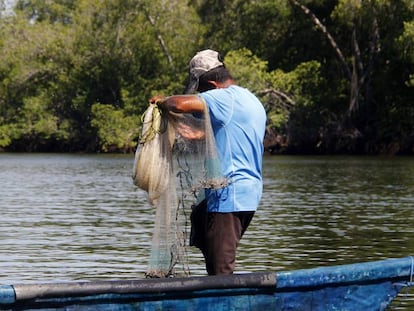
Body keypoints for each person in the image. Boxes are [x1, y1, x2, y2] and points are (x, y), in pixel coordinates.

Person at [150, 49, 266, 275]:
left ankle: (220, 300)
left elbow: (179, 105)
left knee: (221, 272)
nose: (201, 96)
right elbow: (206, 134)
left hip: (228, 196)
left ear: (211, 84)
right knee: (201, 219)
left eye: (201, 91)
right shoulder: (248, 99)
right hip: (247, 194)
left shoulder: (222, 98)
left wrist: (163, 102)